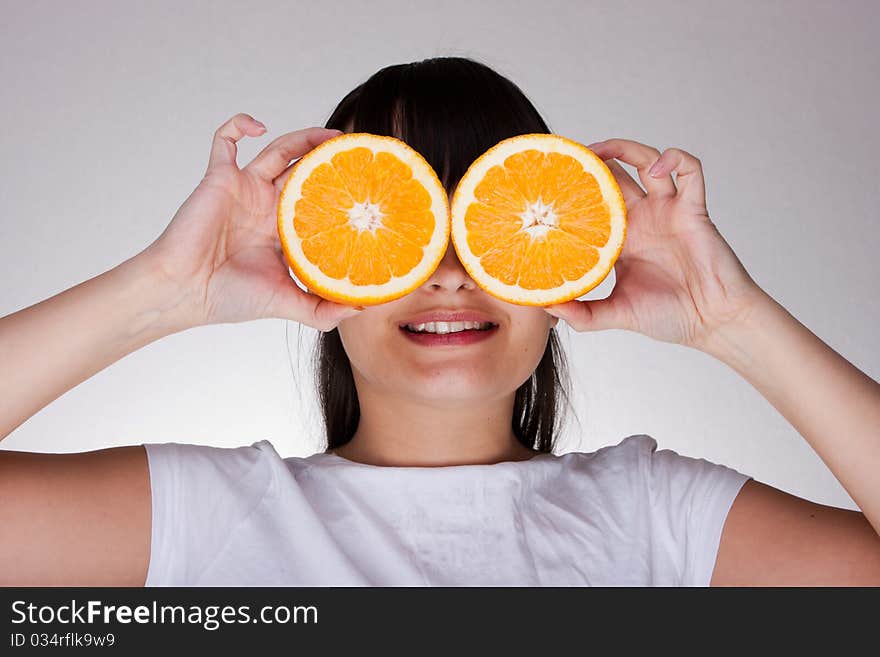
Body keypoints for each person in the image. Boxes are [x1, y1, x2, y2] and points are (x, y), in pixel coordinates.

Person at [1, 57, 878, 587]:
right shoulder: (207, 515)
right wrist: (164, 286)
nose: (452, 274)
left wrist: (729, 318)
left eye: (492, 229)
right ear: (312, 257)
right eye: (399, 231)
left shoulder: (659, 516)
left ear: (560, 258)